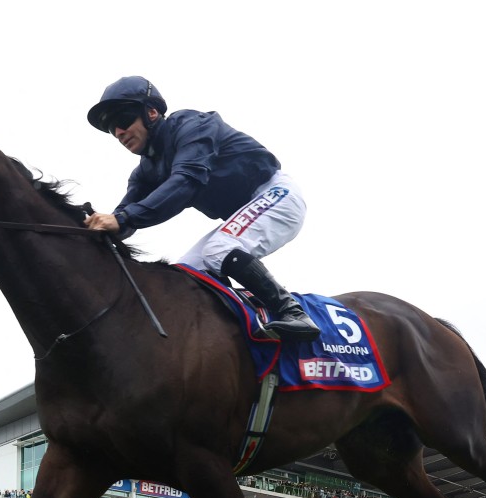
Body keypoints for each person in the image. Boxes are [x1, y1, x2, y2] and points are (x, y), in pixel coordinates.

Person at [85, 76, 320, 341]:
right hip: (243, 213)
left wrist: (122, 219)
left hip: (276, 194)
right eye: (111, 128)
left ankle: (293, 312)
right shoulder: (143, 173)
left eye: (123, 119)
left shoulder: (192, 125)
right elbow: (123, 218)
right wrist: (92, 229)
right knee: (185, 274)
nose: (118, 132)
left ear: (151, 112)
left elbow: (186, 180)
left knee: (219, 249)